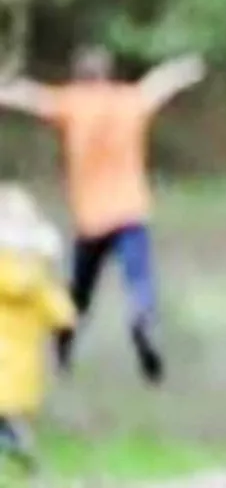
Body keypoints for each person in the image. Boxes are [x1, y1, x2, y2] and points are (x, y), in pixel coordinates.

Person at [0, 45, 206, 383]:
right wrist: (186, 68)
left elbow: (30, 97)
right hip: (130, 211)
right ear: (107, 74)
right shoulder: (128, 101)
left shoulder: (71, 103)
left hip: (91, 217)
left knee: (79, 292)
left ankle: (64, 347)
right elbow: (158, 85)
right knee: (139, 280)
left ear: (78, 76)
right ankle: (142, 319)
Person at [0, 183, 77, 472]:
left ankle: (17, 448)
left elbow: (54, 307)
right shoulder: (8, 264)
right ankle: (17, 447)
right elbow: (18, 285)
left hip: (22, 361)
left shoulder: (33, 267)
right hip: (4, 358)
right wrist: (39, 260)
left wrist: (65, 314)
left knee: (13, 414)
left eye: (25, 220)